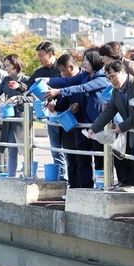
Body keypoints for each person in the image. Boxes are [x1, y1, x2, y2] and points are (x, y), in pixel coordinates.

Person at [90, 59, 134, 217]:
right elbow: (109, 111)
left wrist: (121, 127)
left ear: (122, 72)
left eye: (113, 76)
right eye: (108, 78)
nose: (111, 80)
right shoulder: (116, 91)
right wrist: (94, 128)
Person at [44, 49, 107, 188]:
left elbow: (82, 88)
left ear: (95, 62)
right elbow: (68, 80)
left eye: (87, 61)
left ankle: (101, 187)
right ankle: (84, 188)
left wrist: (59, 91)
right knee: (82, 158)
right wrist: (48, 80)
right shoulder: (85, 74)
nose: (84, 64)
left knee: (100, 159)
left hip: (97, 125)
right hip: (82, 124)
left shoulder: (103, 78)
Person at [15, 41, 66, 180]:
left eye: (41, 55)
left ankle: (69, 178)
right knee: (55, 149)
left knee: (67, 148)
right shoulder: (40, 71)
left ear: (50, 54)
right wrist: (18, 85)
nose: (39, 58)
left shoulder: (62, 68)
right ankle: (62, 178)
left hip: (65, 112)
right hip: (50, 114)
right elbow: (28, 85)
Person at [0, 54, 29, 177]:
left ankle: (27, 174)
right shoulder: (6, 79)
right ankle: (11, 176)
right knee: (11, 150)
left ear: (16, 65)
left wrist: (17, 99)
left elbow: (32, 98)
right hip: (8, 118)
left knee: (26, 150)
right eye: (5, 66)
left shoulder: (25, 79)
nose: (6, 68)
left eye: (8, 65)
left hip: (22, 119)